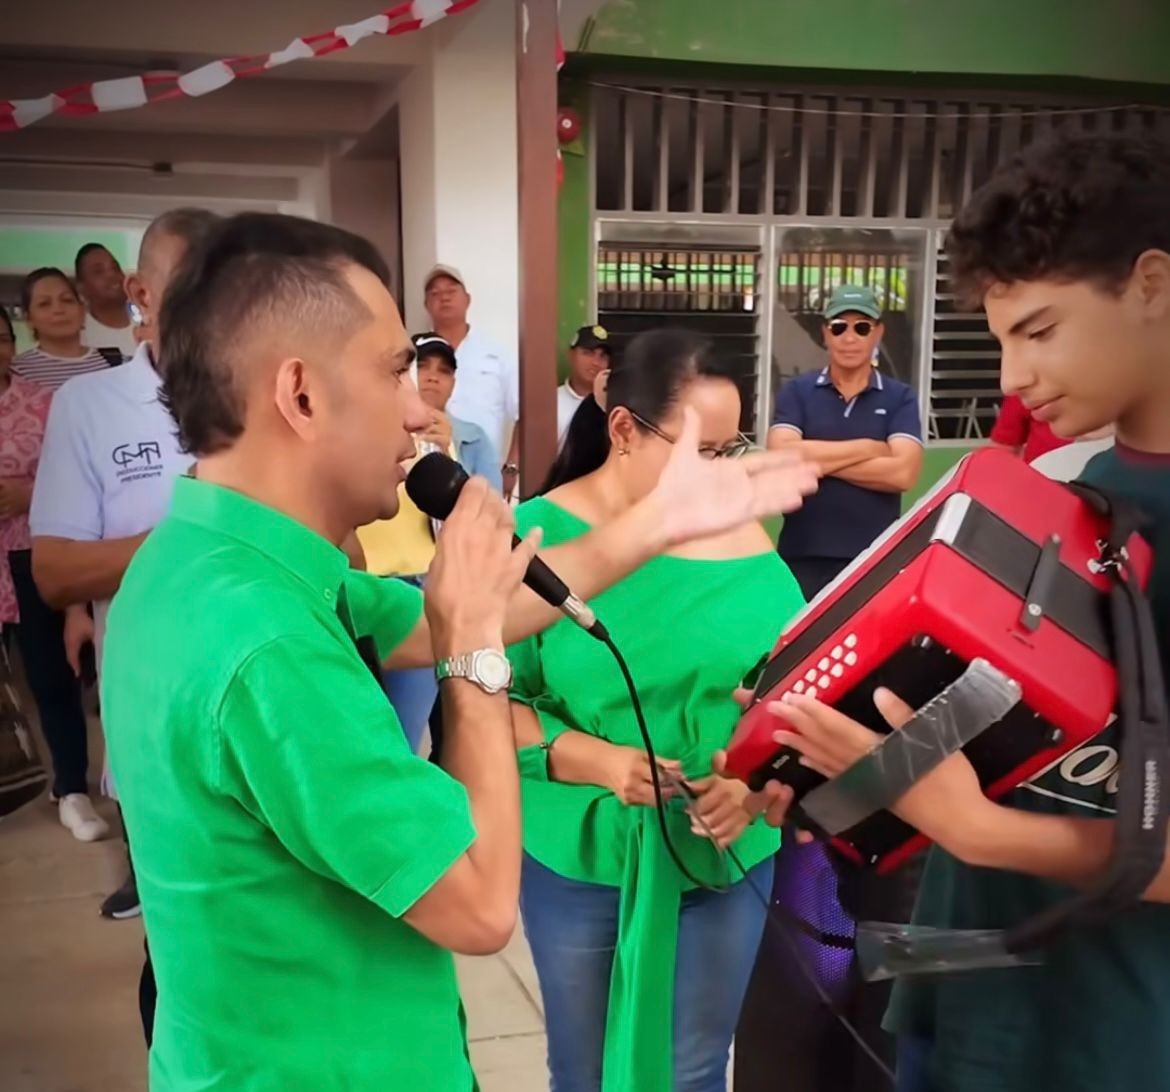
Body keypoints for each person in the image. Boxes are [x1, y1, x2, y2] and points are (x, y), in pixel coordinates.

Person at [99, 211, 819, 1090]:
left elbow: (417, 621)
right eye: (395, 369)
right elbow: (479, 905)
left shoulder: (203, 557)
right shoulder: (266, 643)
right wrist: (473, 657)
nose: (419, 410)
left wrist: (658, 522)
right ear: (300, 395)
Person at [762, 135, 1170, 1092]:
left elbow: (992, 813)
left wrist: (980, 832)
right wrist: (846, 768)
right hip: (961, 995)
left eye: (1039, 331)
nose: (1015, 376)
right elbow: (1022, 740)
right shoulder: (1070, 493)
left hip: (1104, 1035)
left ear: (1152, 284)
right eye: (998, 342)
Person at [507, 329, 804, 1092]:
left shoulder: (747, 537)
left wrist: (748, 778)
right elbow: (483, 703)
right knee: (586, 1067)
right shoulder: (536, 541)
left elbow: (793, 683)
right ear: (624, 429)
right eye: (697, 451)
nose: (718, 476)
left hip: (725, 853)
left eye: (729, 449)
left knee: (696, 1066)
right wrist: (603, 762)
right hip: (586, 855)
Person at [31, 208, 222, 930]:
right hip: (156, 728)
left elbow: (339, 553)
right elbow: (56, 572)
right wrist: (197, 533)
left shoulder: (269, 392)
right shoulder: (89, 406)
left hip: (270, 717)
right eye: (191, 284)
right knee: (177, 952)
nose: (212, 304)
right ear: (141, 289)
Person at [357, 331, 501, 752]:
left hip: (422, 589)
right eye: (416, 368)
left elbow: (485, 517)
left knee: (402, 736)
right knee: (360, 733)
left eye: (444, 369)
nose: (431, 378)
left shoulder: (467, 436)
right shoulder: (366, 430)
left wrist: (449, 456)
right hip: (363, 586)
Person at [0, 305, 100, 838]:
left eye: (1, 338)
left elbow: (76, 478)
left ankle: (72, 788)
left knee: (51, 678)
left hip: (32, 554)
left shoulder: (42, 405)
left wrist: (27, 494)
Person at [768, 285, 924, 601]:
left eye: (861, 327)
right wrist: (868, 447)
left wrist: (815, 459)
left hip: (874, 556)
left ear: (877, 332)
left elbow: (902, 474)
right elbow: (781, 455)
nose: (849, 338)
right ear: (826, 333)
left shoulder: (900, 398)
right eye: (839, 327)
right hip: (803, 554)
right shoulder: (798, 391)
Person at [424, 264, 522, 498]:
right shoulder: (413, 354)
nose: (444, 298)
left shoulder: (496, 354)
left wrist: (511, 468)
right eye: (435, 294)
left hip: (483, 472)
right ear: (426, 305)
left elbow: (522, 415)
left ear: (467, 299)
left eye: (451, 291)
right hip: (426, 470)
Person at [12, 268, 117, 390]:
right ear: (29, 319)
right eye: (44, 304)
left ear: (82, 310)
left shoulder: (114, 363)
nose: (58, 310)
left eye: (67, 300)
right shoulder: (16, 371)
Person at [76, 243, 137, 358]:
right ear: (81, 288)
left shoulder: (148, 325)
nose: (111, 274)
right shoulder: (77, 337)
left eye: (115, 268)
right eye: (98, 271)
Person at [558, 324, 614, 447]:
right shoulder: (550, 402)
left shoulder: (615, 405)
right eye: (587, 353)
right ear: (571, 355)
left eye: (603, 356)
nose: (596, 362)